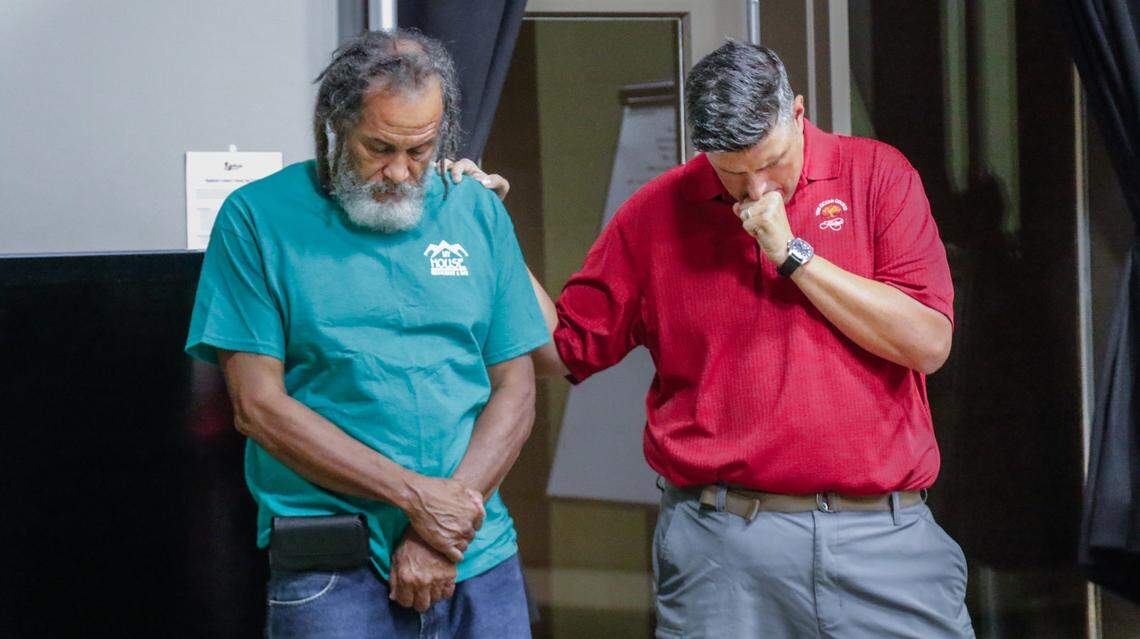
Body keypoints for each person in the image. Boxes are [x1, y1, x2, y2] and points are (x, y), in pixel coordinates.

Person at [453, 40, 973, 638]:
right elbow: (561, 349)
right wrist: (493, 236)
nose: (755, 190)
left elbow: (928, 343)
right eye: (732, 171)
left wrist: (792, 254)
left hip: (884, 539)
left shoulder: (877, 175)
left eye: (772, 161)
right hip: (724, 546)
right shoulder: (655, 212)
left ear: (798, 113)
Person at [184, 30, 549, 638]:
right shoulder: (257, 219)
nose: (402, 172)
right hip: (336, 567)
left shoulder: (475, 210)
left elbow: (516, 384)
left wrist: (442, 526)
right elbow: (257, 406)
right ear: (334, 125)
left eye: (422, 150)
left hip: (475, 557)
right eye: (379, 147)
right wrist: (416, 500)